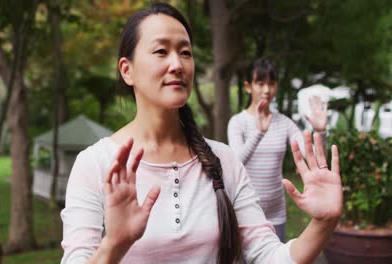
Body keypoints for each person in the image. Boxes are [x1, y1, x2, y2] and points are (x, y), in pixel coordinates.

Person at [61, 3, 342, 263]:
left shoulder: (222, 159)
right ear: (127, 70)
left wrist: (323, 223)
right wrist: (114, 244)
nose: (177, 64)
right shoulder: (95, 164)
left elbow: (268, 255)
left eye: (185, 52)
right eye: (161, 51)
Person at [227, 59, 328, 242]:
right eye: (260, 83)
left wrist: (320, 132)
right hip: (244, 212)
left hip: (276, 214)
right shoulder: (238, 122)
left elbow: (314, 157)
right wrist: (258, 133)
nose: (266, 90)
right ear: (248, 87)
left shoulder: (284, 123)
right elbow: (236, 162)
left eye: (271, 84)